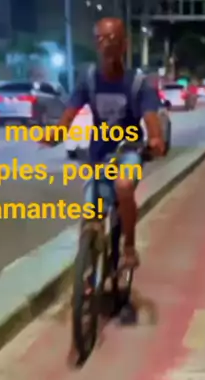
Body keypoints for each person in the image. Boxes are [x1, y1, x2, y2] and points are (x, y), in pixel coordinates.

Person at [48, 17, 165, 271]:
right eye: (100, 39)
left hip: (129, 151)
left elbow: (150, 118)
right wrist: (55, 134)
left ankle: (129, 247)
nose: (106, 44)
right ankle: (89, 266)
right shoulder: (89, 79)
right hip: (99, 154)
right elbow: (69, 114)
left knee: (124, 186)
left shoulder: (138, 83)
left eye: (112, 38)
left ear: (124, 44)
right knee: (90, 212)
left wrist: (155, 139)